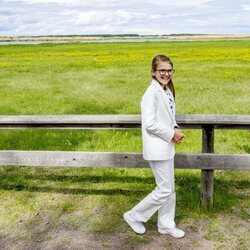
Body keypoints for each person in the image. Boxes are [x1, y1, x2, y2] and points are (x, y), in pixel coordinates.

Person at [123, 54, 185, 238]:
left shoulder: (165, 90)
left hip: (166, 147)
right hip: (157, 148)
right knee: (164, 189)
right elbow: (150, 123)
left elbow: (167, 117)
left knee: (169, 189)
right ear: (153, 72)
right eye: (162, 70)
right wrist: (171, 134)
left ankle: (166, 225)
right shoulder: (151, 93)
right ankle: (134, 215)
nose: (166, 73)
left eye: (169, 70)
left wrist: (174, 128)